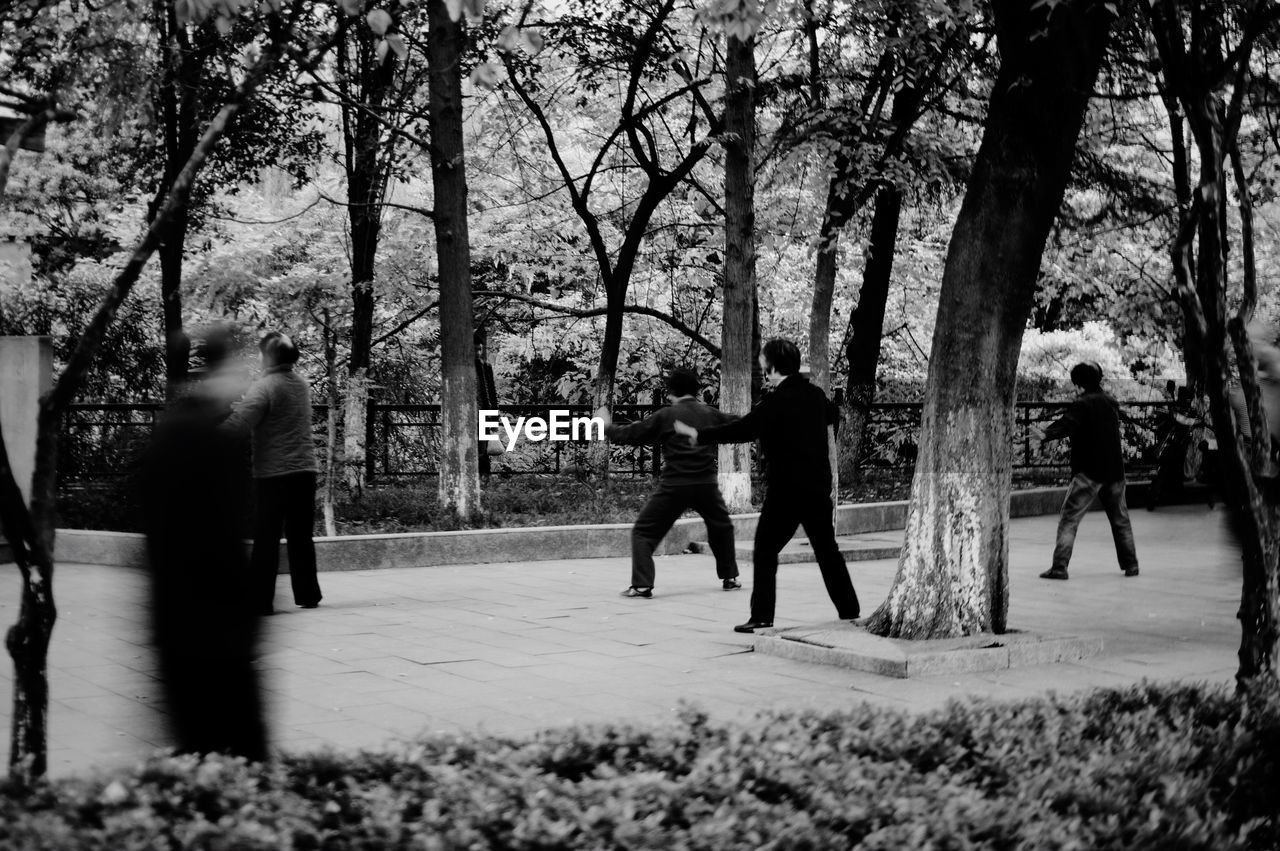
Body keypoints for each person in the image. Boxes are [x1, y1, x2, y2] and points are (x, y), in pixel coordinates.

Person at [673, 338, 860, 633]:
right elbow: (832, 415)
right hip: (816, 488)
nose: (761, 366)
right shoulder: (815, 395)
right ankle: (849, 608)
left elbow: (743, 429)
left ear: (772, 369)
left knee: (765, 549)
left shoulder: (774, 403)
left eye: (763, 362)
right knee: (827, 549)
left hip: (786, 491)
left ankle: (762, 616)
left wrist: (699, 435)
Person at [141, 329, 267, 761]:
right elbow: (221, 540)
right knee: (237, 751)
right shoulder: (208, 440)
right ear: (220, 370)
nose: (244, 380)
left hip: (178, 620)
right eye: (238, 368)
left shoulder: (168, 433)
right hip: (213, 627)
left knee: (200, 748)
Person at [595, 366, 742, 598]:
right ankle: (730, 577)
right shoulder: (710, 414)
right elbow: (739, 427)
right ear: (696, 390)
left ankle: (642, 584)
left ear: (670, 391)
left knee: (644, 532)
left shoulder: (666, 416)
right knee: (721, 527)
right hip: (705, 484)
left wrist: (606, 427)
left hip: (676, 484)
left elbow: (633, 434)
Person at [224, 332, 323, 614]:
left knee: (266, 537)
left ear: (268, 356)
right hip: (305, 470)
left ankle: (259, 600)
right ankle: (308, 594)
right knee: (301, 535)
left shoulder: (265, 385)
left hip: (273, 473)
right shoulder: (301, 384)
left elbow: (242, 421)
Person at [1040, 361, 1139, 580]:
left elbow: (1068, 423)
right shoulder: (1111, 402)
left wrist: (1045, 434)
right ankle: (1131, 565)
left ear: (1080, 383)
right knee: (1120, 519)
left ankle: (1059, 567)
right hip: (1114, 471)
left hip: (1088, 472)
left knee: (1069, 519)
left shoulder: (1082, 404)